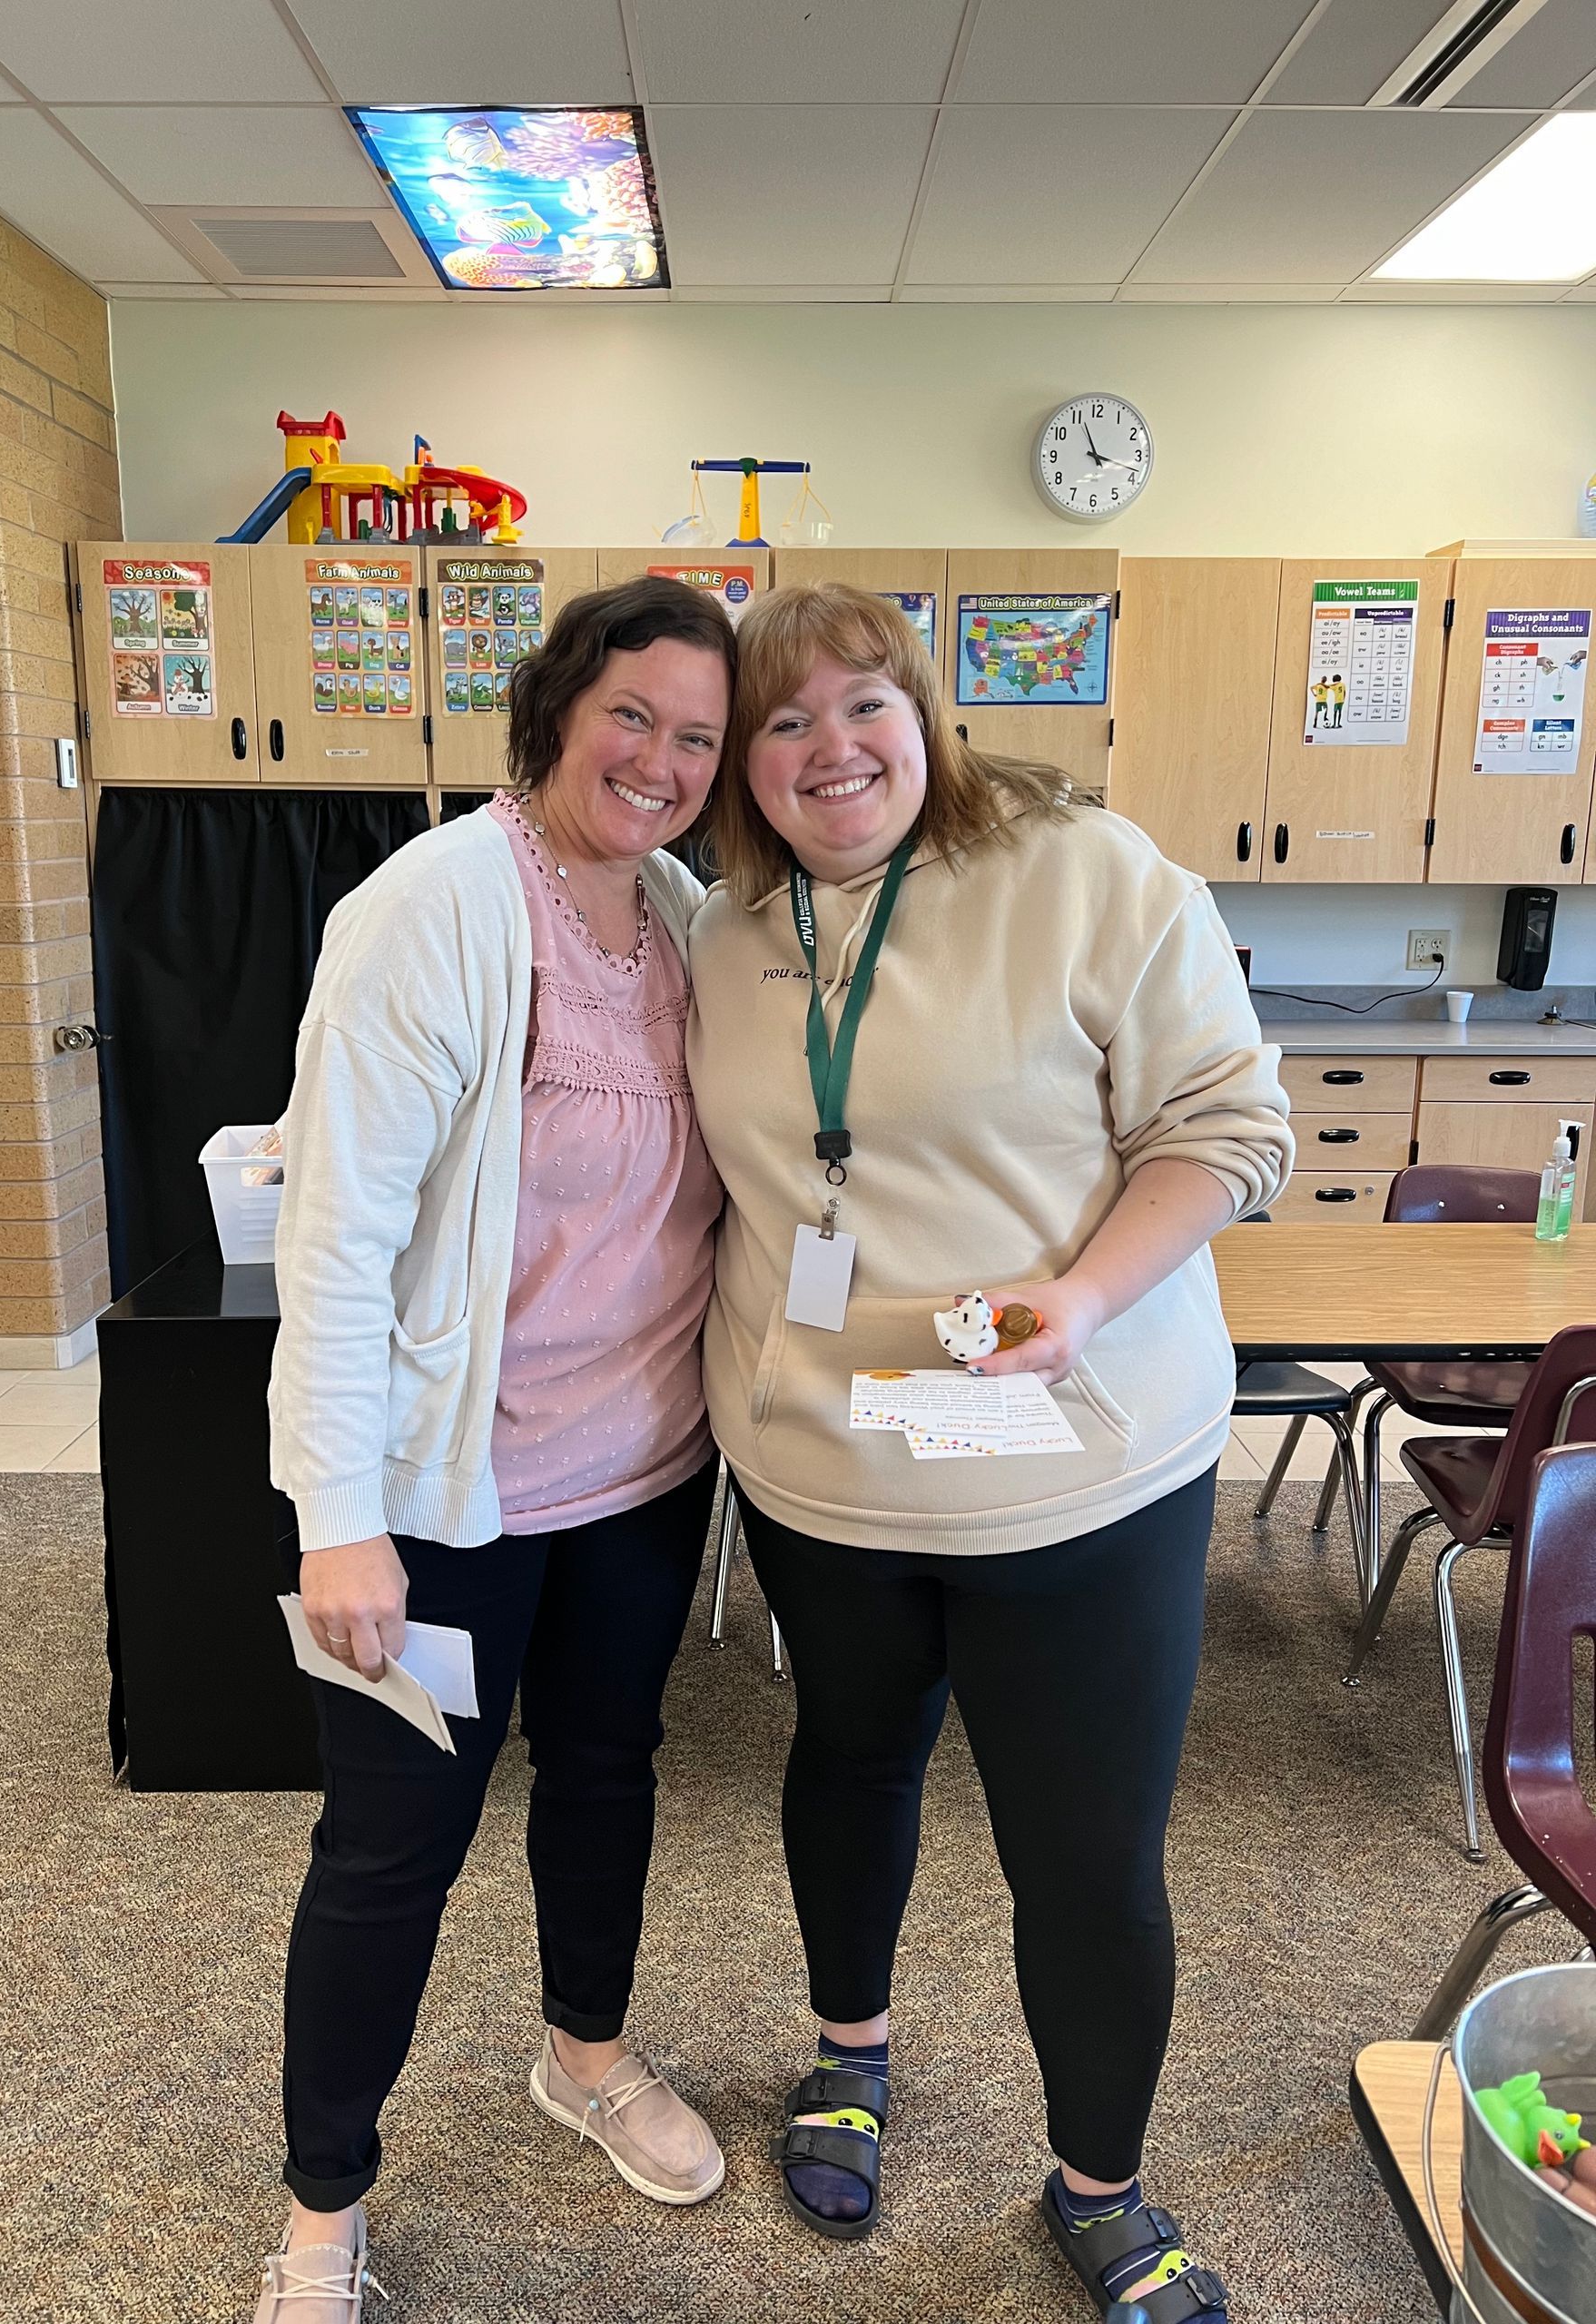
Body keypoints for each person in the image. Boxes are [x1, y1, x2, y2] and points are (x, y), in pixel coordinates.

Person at [686, 583, 1293, 2321]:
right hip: (830, 1461)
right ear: (744, 766)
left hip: (1073, 1465)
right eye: (783, 723)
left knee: (1084, 1851)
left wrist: (1088, 1295)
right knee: (850, 1766)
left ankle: (1100, 2182)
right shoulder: (725, 926)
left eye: (864, 704)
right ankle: (849, 2055)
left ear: (928, 713)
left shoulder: (1088, 873)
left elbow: (1231, 1128)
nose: (830, 751)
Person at [256, 577, 736, 2321]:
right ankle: (323, 2211)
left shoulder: (684, 915)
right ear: (556, 709)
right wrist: (340, 1516)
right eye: (634, 717)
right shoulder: (432, 912)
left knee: (609, 1776)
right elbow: (339, 1238)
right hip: (446, 1491)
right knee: (394, 1843)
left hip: (641, 1470)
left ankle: (584, 2054)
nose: (662, 761)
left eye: (697, 736)